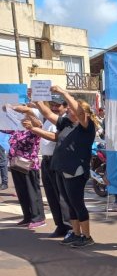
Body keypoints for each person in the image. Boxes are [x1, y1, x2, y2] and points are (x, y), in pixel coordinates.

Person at [29, 86, 97, 248]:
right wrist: (37, 100)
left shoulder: (86, 127)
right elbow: (47, 114)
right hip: (61, 168)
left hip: (75, 170)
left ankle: (87, 236)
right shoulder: (66, 123)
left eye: (72, 109)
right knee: (69, 202)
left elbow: (80, 113)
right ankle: (76, 233)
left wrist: (65, 94)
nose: (69, 111)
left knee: (77, 203)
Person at [2, 106, 46, 229]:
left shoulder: (35, 129)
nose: (23, 119)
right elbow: (3, 127)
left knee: (32, 191)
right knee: (22, 191)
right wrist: (6, 110)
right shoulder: (17, 129)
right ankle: (27, 216)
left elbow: (37, 122)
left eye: (26, 117)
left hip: (29, 165)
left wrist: (27, 112)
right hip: (16, 163)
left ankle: (38, 218)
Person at [35, 98, 73, 238]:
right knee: (52, 195)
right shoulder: (48, 120)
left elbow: (55, 137)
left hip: (57, 161)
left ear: (65, 106)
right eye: (52, 105)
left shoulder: (65, 121)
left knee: (62, 196)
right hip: (46, 161)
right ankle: (60, 226)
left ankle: (70, 226)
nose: (55, 108)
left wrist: (35, 130)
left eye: (58, 105)